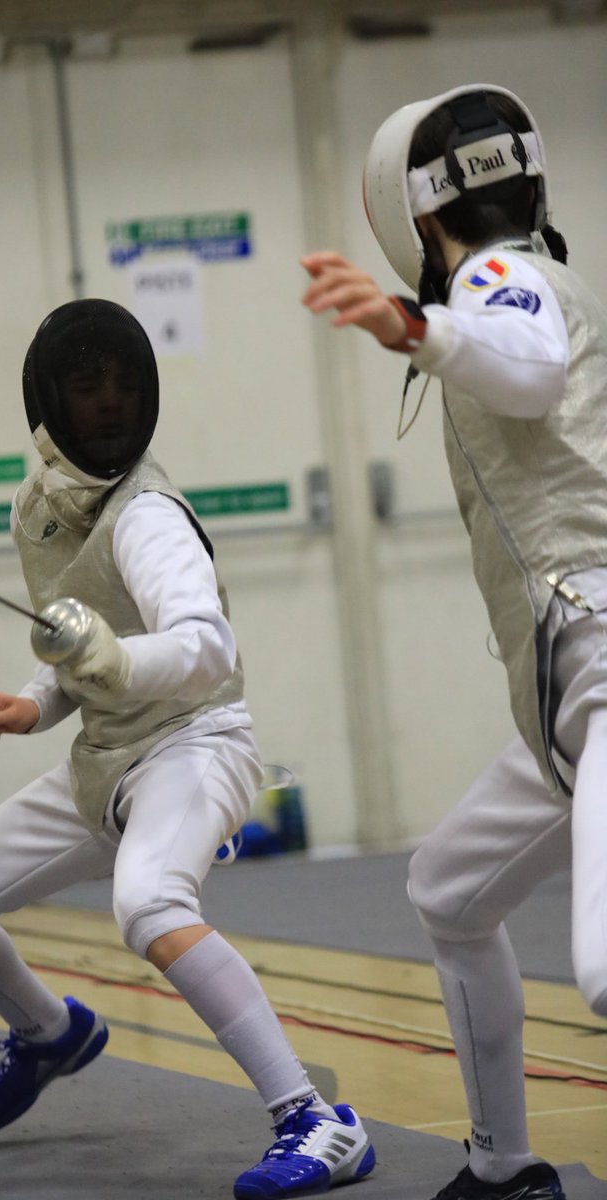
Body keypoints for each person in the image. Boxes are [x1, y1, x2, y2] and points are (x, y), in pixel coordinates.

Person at [0, 298, 376, 1199]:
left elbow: (205, 647)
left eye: (124, 383)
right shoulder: (40, 506)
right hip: (106, 762)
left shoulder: (146, 513)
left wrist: (110, 661)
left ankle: (316, 1120)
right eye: (88, 385)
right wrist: (36, 705)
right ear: (49, 401)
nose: (111, 401)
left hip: (196, 745)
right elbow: (79, 641)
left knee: (149, 903)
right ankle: (49, 1034)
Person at [301, 83, 607, 1200]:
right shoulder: (541, 280)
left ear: (420, 219)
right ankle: (503, 1169)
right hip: (566, 696)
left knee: (605, 965)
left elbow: (524, 371)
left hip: (600, 663)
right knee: (450, 890)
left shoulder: (494, 279)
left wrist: (413, 326)